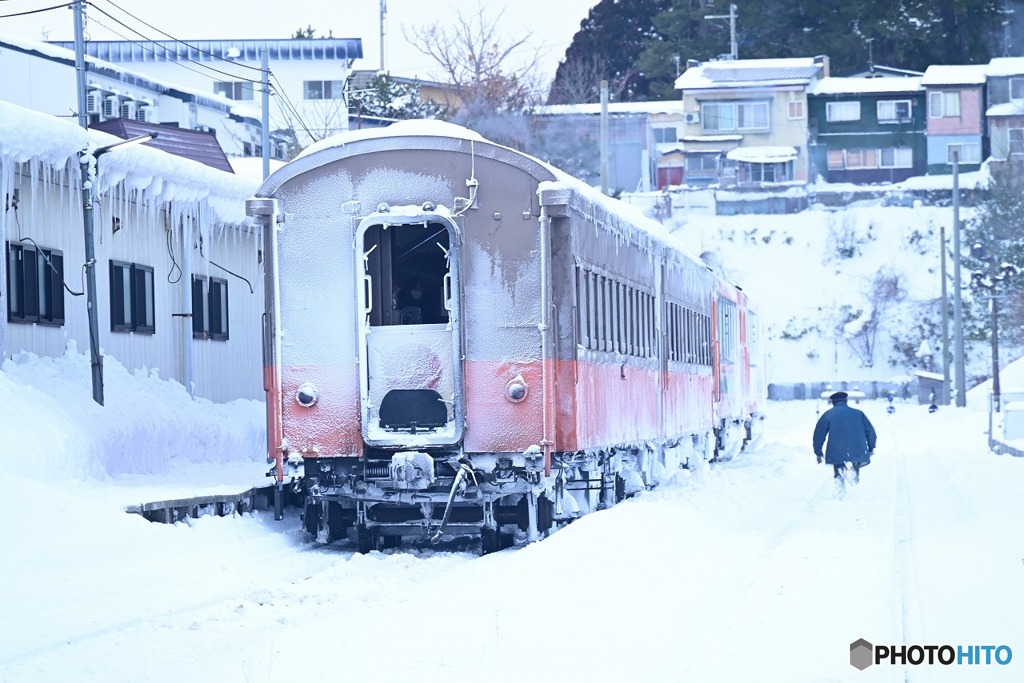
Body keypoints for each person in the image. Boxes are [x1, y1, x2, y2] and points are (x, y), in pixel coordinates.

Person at [812, 391, 877, 485]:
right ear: (846, 401)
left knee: (838, 473)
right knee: (855, 471)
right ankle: (855, 488)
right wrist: (871, 448)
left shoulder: (828, 414)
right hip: (857, 450)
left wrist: (818, 452)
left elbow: (818, 435)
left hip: (837, 451)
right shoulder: (858, 413)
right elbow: (870, 432)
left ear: (833, 402)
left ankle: (840, 494)